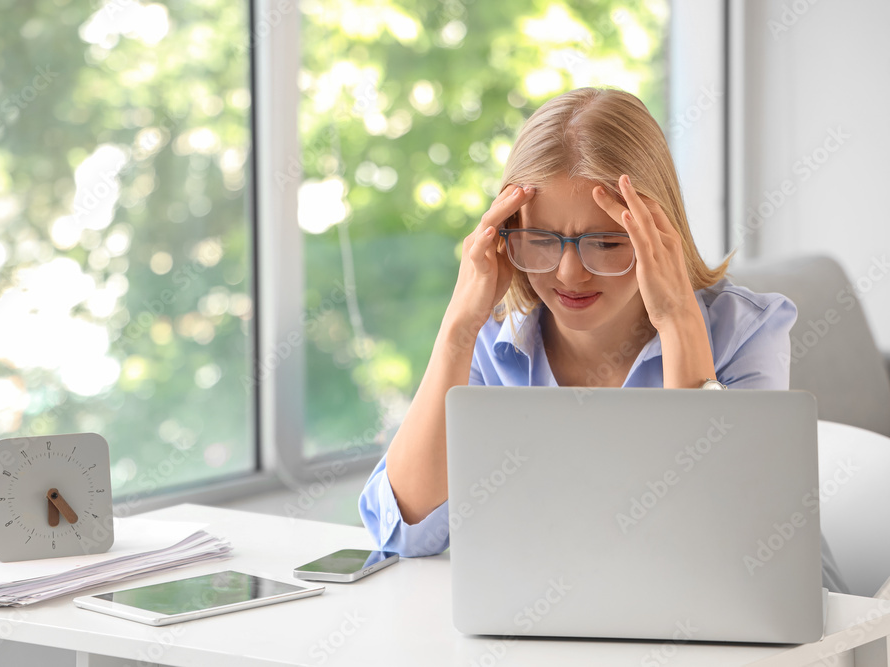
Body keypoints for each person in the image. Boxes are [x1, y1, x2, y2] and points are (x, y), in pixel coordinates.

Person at [358, 86, 849, 593]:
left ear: (657, 232)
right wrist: (458, 329)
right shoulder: (493, 344)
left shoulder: (748, 332)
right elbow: (403, 533)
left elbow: (729, 537)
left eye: (607, 243)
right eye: (543, 241)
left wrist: (678, 320)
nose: (570, 273)